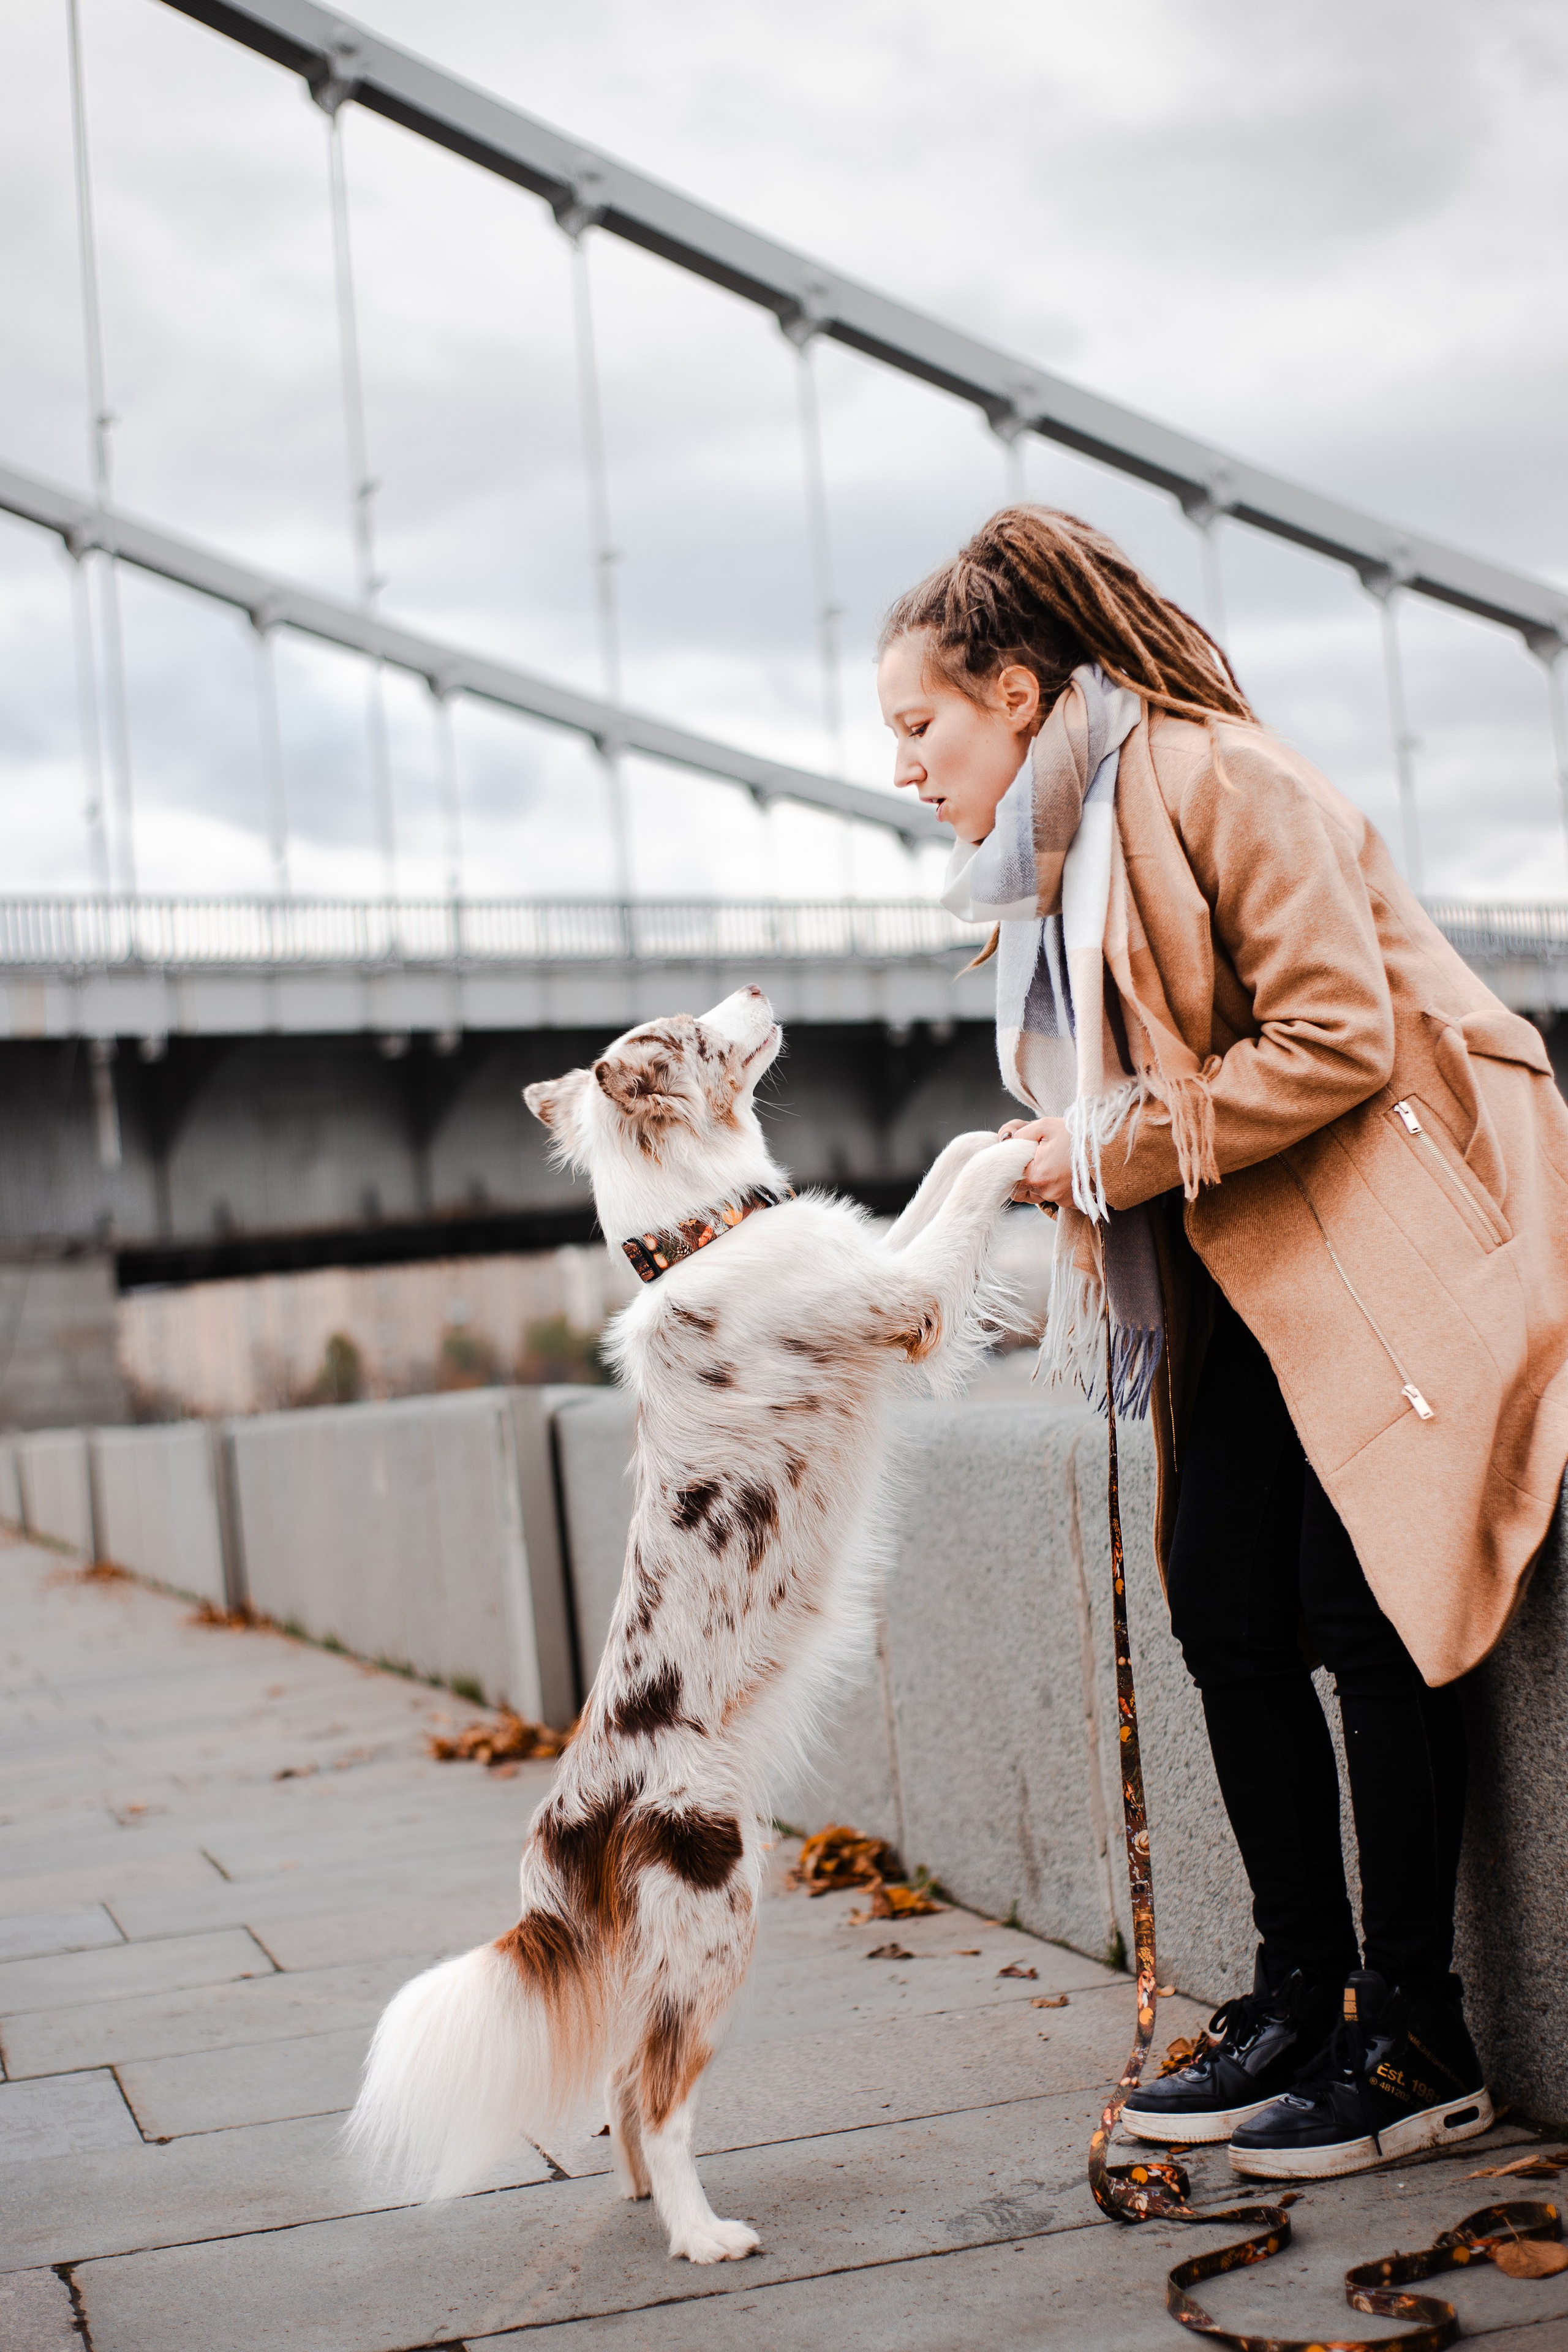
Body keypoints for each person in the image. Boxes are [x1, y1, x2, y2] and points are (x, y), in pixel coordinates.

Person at [876, 507, 1568, 2182]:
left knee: (1366, 1616)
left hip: (1385, 1249)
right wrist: (1085, 1152)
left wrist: (1097, 1151)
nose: (904, 769)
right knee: (1225, 1611)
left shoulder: (1220, 780)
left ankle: (1420, 2038)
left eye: (922, 726)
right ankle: (1299, 2002)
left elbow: (1341, 1035)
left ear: (1021, 693)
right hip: (1244, 1253)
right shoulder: (1062, 852)